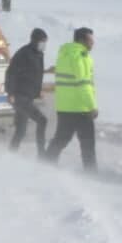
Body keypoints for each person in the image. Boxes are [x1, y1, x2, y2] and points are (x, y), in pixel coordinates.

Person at [43, 27, 98, 171]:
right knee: (88, 144)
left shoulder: (64, 54)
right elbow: (83, 84)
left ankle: (45, 165)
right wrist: (92, 106)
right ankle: (91, 175)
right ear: (81, 40)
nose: (93, 43)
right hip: (80, 109)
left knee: (61, 139)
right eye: (90, 40)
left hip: (64, 107)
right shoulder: (80, 56)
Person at [6, 28, 50, 154]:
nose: (44, 45)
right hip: (20, 96)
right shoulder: (24, 53)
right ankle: (42, 154)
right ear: (35, 40)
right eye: (42, 41)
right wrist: (10, 93)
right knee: (42, 120)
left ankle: (11, 153)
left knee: (21, 130)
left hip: (28, 96)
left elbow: (35, 74)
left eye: (46, 42)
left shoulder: (39, 54)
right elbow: (11, 73)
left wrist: (38, 91)